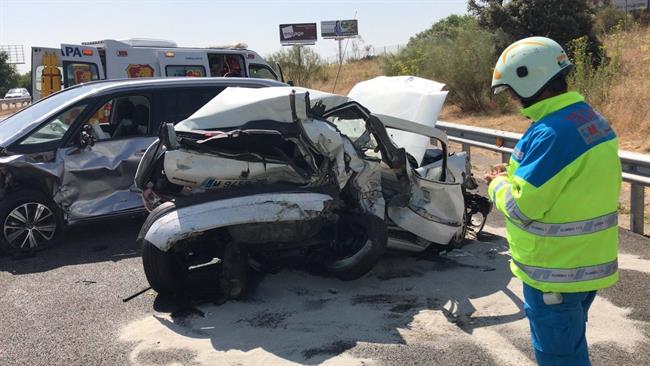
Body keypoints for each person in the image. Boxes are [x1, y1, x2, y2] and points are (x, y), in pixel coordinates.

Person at [484, 36, 621, 366]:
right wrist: (515, 173)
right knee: (570, 347)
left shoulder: (551, 133)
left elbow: (523, 207)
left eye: (513, 92)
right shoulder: (586, 118)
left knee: (560, 359)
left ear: (530, 81)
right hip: (584, 265)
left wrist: (497, 184)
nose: (514, 100)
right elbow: (567, 182)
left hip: (555, 273)